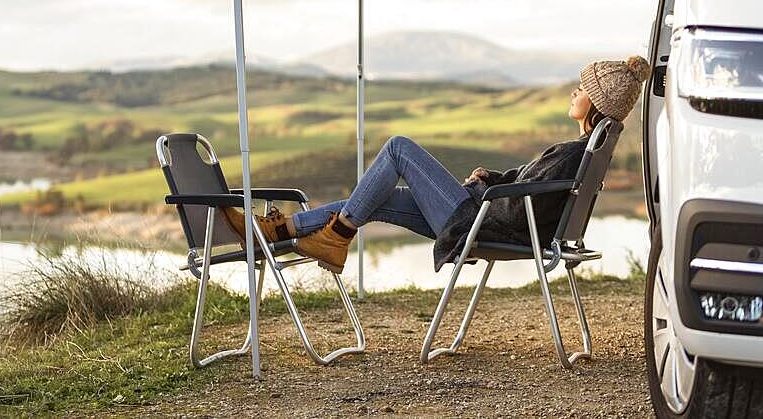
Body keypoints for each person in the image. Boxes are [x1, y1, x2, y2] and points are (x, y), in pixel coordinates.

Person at [223, 55, 651, 274]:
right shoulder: (583, 151)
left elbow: (524, 206)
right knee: (378, 197)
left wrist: (486, 192)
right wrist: (493, 178)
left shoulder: (574, 153)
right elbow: (528, 189)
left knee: (397, 149)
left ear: (596, 101)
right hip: (481, 211)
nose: (573, 91)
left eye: (581, 87)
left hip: (477, 219)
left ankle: (334, 236)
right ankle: (282, 231)